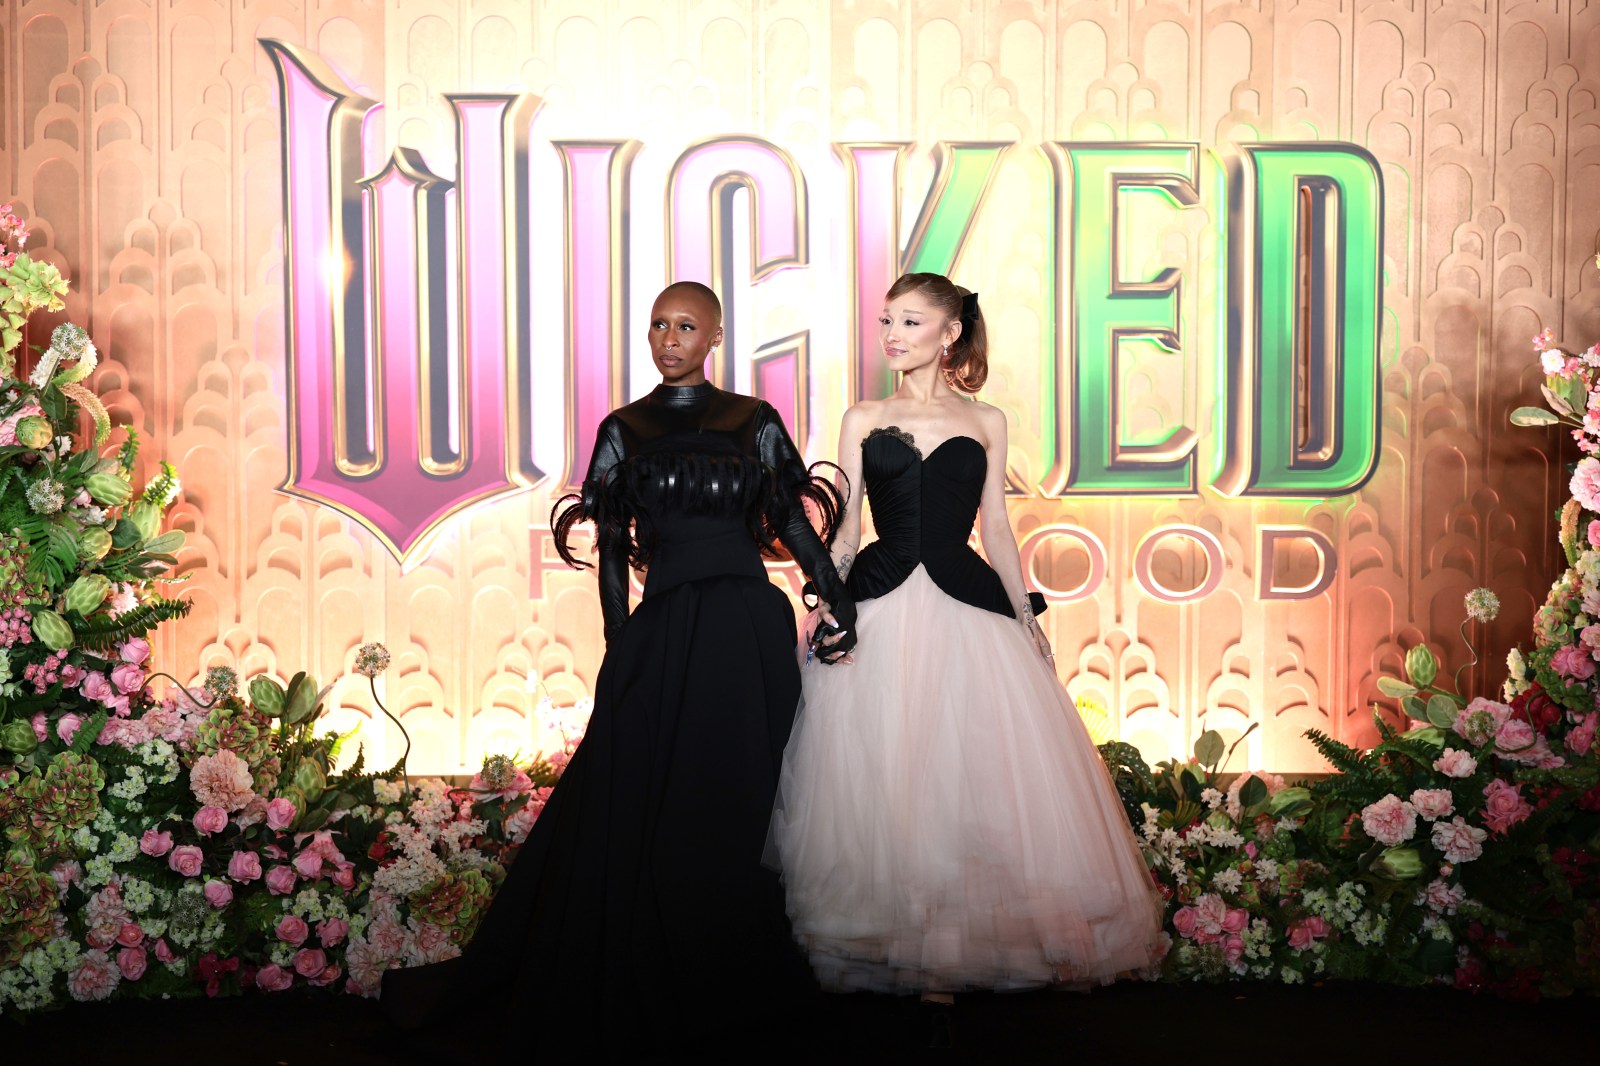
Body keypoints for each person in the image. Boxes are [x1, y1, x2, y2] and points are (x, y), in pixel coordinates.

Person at [383, 281, 856, 1057]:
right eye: (659, 325)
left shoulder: (754, 420)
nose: (669, 339)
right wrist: (618, 636)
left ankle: (742, 977)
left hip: (746, 627)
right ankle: (661, 973)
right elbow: (610, 548)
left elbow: (789, 523)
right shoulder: (624, 428)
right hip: (663, 630)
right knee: (653, 800)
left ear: (715, 337)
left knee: (744, 794)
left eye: (686, 326)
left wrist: (835, 596)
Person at [770, 272, 1164, 1012]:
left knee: (965, 777)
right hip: (881, 606)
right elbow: (848, 529)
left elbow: (999, 530)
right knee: (883, 779)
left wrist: (1026, 617)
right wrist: (826, 600)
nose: (892, 335)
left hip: (968, 606)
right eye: (886, 320)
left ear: (949, 333)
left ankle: (949, 964)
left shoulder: (986, 420)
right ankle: (905, 948)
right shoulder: (862, 417)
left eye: (910, 321)